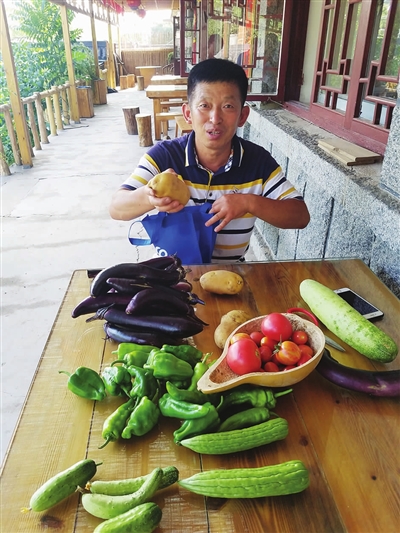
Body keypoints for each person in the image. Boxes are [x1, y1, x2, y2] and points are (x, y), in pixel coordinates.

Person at [109, 58, 310, 262]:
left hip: (232, 275)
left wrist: (249, 202)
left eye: (228, 106)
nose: (215, 118)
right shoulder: (165, 156)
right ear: (188, 113)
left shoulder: (257, 162)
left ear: (243, 115)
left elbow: (300, 215)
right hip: (170, 274)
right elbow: (116, 207)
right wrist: (148, 197)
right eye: (204, 105)